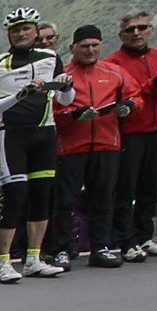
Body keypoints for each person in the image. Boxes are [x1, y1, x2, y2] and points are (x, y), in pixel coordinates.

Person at [0, 8, 66, 282]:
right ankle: (4, 262)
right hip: (11, 135)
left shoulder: (51, 58)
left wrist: (67, 86)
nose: (21, 34)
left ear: (36, 31)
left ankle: (33, 259)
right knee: (15, 198)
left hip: (44, 132)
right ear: (9, 34)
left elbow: (64, 100)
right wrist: (18, 96)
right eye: (15, 30)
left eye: (26, 28)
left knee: (42, 196)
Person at [55, 25, 129, 267]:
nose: (90, 50)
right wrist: (74, 114)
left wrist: (130, 106)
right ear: (72, 48)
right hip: (71, 146)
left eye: (94, 45)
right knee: (65, 201)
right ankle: (62, 249)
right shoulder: (64, 76)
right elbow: (53, 111)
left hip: (107, 143)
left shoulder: (115, 72)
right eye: (84, 46)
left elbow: (134, 95)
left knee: (103, 198)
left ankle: (101, 247)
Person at [109, 8, 157, 256]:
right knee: (127, 188)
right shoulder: (113, 63)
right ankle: (125, 240)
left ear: (151, 30)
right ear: (121, 35)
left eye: (142, 28)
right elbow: (126, 98)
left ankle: (145, 236)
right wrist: (154, 87)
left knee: (151, 187)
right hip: (130, 132)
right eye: (130, 29)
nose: (136, 33)